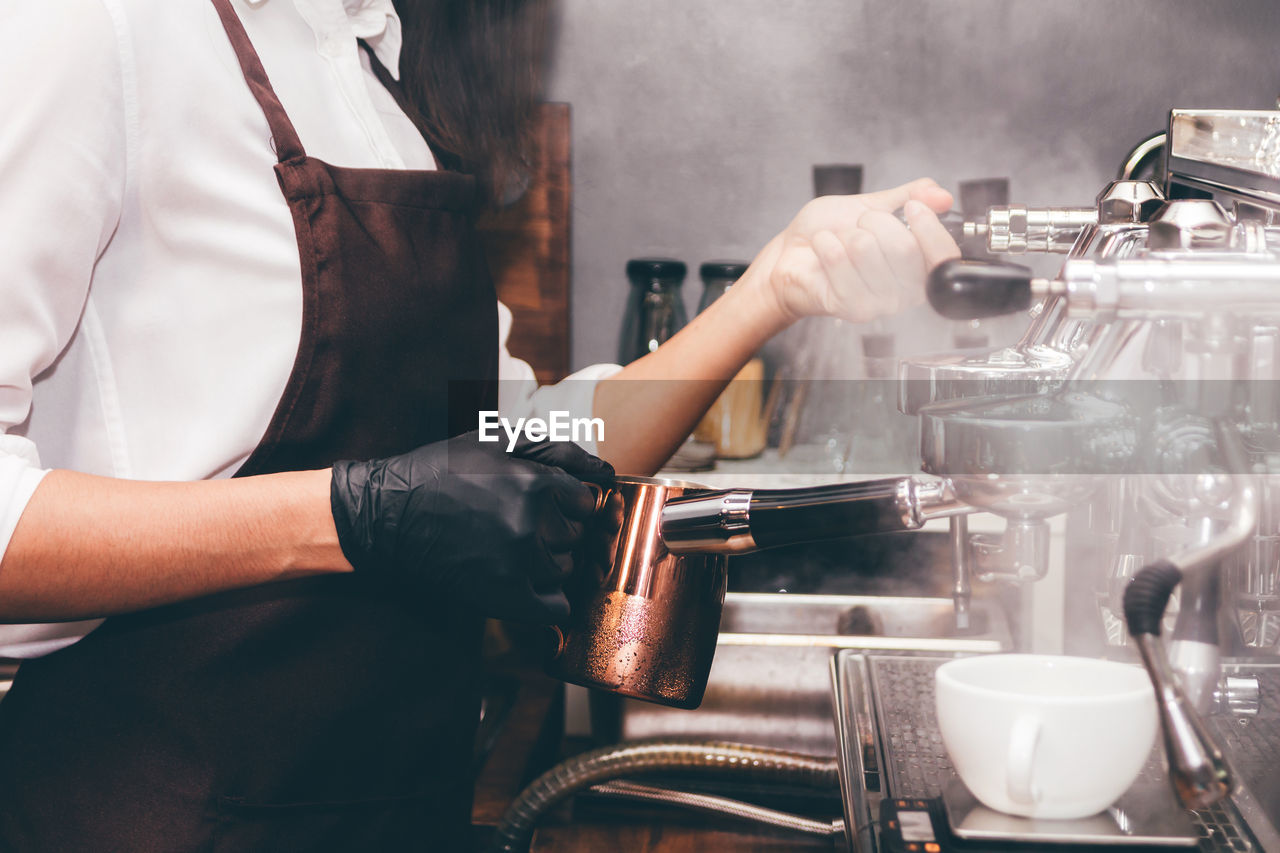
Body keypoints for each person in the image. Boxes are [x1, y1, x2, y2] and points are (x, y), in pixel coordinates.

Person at [0, 0, 960, 848]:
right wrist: (356, 516)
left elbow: (517, 438)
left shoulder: (373, 68)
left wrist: (771, 288)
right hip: (155, 808)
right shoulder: (94, 28)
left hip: (391, 805)